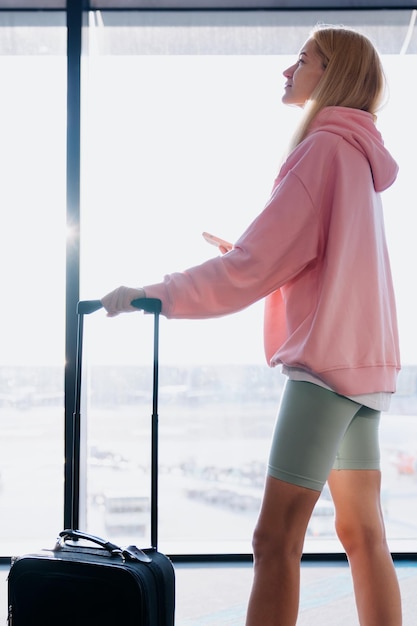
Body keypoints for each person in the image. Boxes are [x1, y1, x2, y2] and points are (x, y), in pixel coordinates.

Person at [101, 24, 402, 626]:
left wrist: (148, 294)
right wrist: (250, 251)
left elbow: (252, 270)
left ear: (333, 74)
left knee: (274, 540)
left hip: (326, 373)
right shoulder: (357, 155)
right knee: (361, 533)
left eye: (303, 59)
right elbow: (323, 259)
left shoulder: (321, 150)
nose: (288, 71)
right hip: (365, 366)